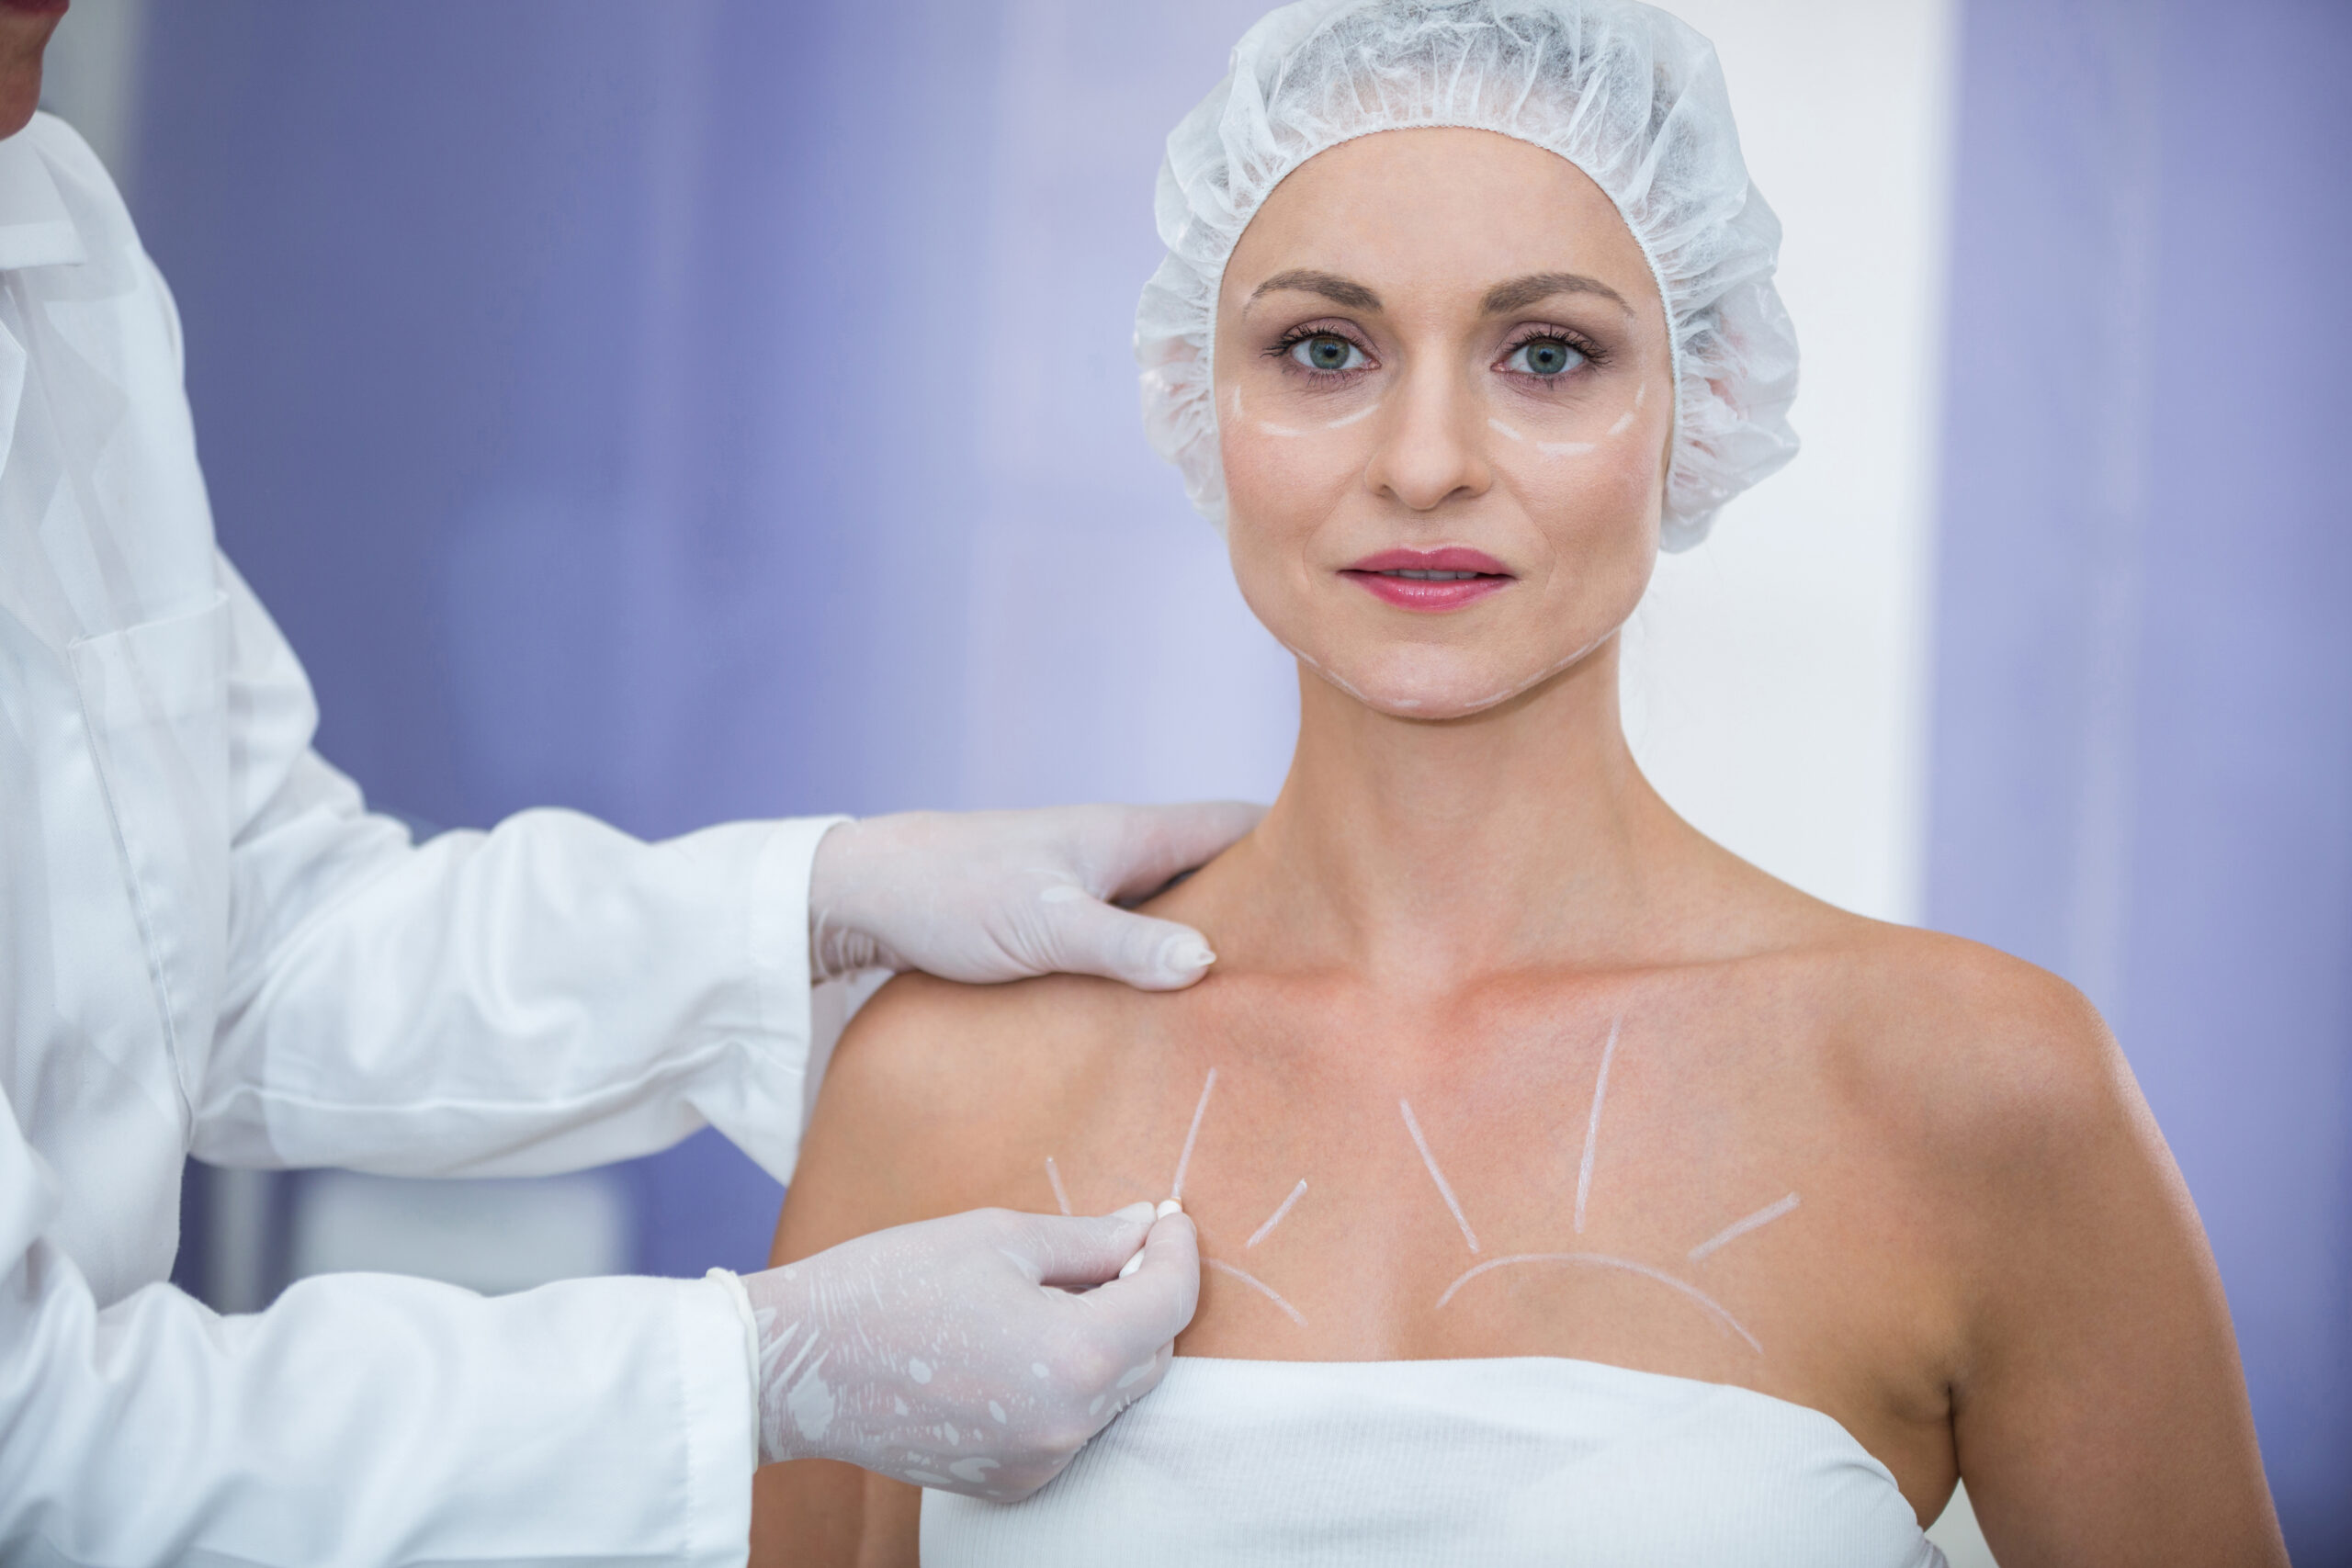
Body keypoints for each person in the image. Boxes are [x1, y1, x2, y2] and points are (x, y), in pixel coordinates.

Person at [758, 1, 2291, 1562]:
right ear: (1193, 391)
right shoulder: (940, 1085)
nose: (1426, 462)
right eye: (1324, 348)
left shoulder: (1980, 1093)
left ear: (1706, 391)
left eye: (1547, 354)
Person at [0, 5, 1238, 1564]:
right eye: (1319, 350)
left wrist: (821, 895)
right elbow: (29, 1441)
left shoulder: (45, 227)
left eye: (1544, 354)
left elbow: (229, 938)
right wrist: (751, 1375)